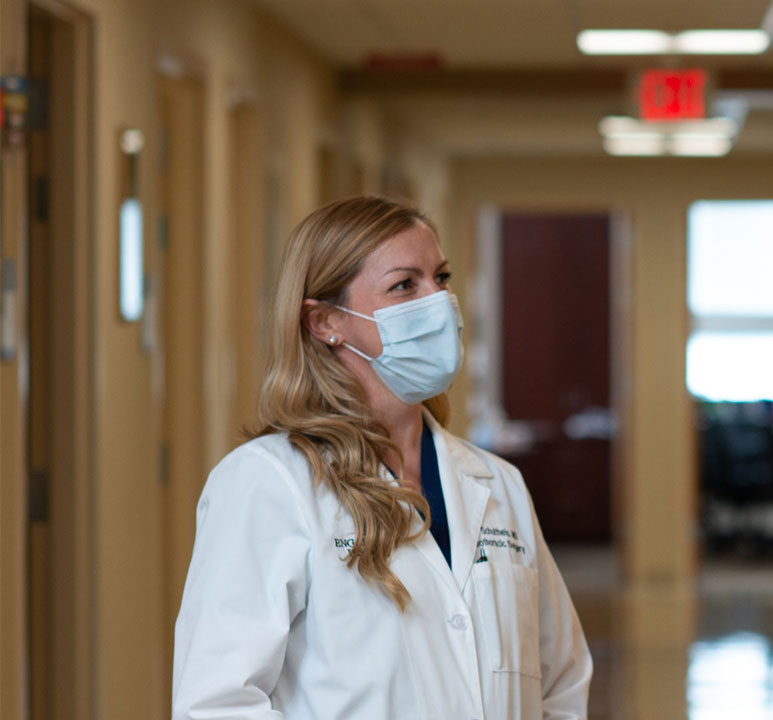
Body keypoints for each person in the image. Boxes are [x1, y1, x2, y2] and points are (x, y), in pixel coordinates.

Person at [172, 196, 592, 719]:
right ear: (325, 321)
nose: (439, 302)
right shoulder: (270, 482)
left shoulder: (498, 484)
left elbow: (561, 684)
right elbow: (217, 704)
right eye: (404, 286)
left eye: (441, 278)